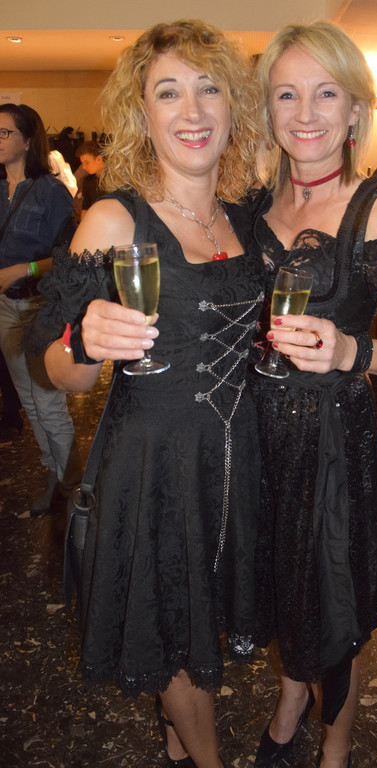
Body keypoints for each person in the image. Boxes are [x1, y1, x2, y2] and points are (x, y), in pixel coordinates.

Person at [29, 20, 263, 768]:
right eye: (168, 93)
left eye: (208, 89)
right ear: (142, 113)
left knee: (201, 619)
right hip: (154, 464)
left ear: (232, 107)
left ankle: (172, 745)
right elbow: (57, 369)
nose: (191, 111)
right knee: (173, 627)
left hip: (238, 459)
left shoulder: (246, 217)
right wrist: (84, 341)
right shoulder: (114, 217)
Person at [249, 22, 377, 768]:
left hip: (331, 446)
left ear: (356, 110)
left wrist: (349, 351)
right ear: (267, 108)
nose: (305, 113)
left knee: (332, 605)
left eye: (325, 93)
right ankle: (290, 697)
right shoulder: (250, 207)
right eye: (286, 94)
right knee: (279, 590)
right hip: (254, 439)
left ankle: (336, 742)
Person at [0, 103, 81, 515]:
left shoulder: (49, 190)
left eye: (4, 132)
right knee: (29, 402)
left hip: (40, 305)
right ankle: (54, 472)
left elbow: (70, 256)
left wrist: (24, 268)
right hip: (5, 307)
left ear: (28, 139)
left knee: (47, 402)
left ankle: (71, 485)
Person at [75, 140, 105, 218]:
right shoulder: (88, 181)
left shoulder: (115, 181)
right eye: (82, 163)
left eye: (87, 162)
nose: (84, 167)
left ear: (99, 159)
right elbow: (85, 208)